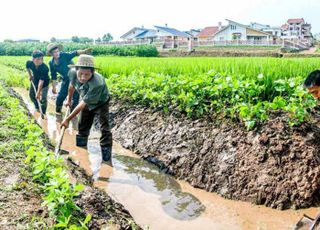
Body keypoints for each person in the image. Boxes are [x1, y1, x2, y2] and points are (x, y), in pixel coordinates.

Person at [61, 54, 112, 163]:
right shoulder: (72, 73)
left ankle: (106, 158)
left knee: (104, 128)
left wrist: (67, 119)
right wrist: (69, 100)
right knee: (82, 124)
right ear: (76, 70)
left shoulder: (97, 83)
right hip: (86, 100)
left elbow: (82, 103)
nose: (83, 77)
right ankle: (81, 152)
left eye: (87, 75)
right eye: (80, 74)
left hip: (101, 102)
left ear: (92, 73)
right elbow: (71, 86)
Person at [47, 43, 92, 115]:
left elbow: (74, 53)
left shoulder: (64, 55)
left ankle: (72, 115)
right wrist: (54, 87)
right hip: (65, 79)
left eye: (58, 51)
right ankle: (58, 112)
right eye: (55, 52)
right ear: (51, 54)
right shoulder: (51, 63)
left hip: (75, 78)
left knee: (75, 97)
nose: (57, 53)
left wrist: (83, 51)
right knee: (60, 96)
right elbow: (53, 75)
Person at [26, 50, 50, 115]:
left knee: (43, 99)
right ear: (33, 59)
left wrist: (38, 92)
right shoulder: (29, 63)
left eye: (42, 59)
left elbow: (41, 81)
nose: (40, 61)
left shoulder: (45, 68)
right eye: (38, 59)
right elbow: (27, 68)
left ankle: (43, 112)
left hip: (45, 82)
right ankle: (37, 106)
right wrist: (30, 75)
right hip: (35, 79)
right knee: (31, 95)